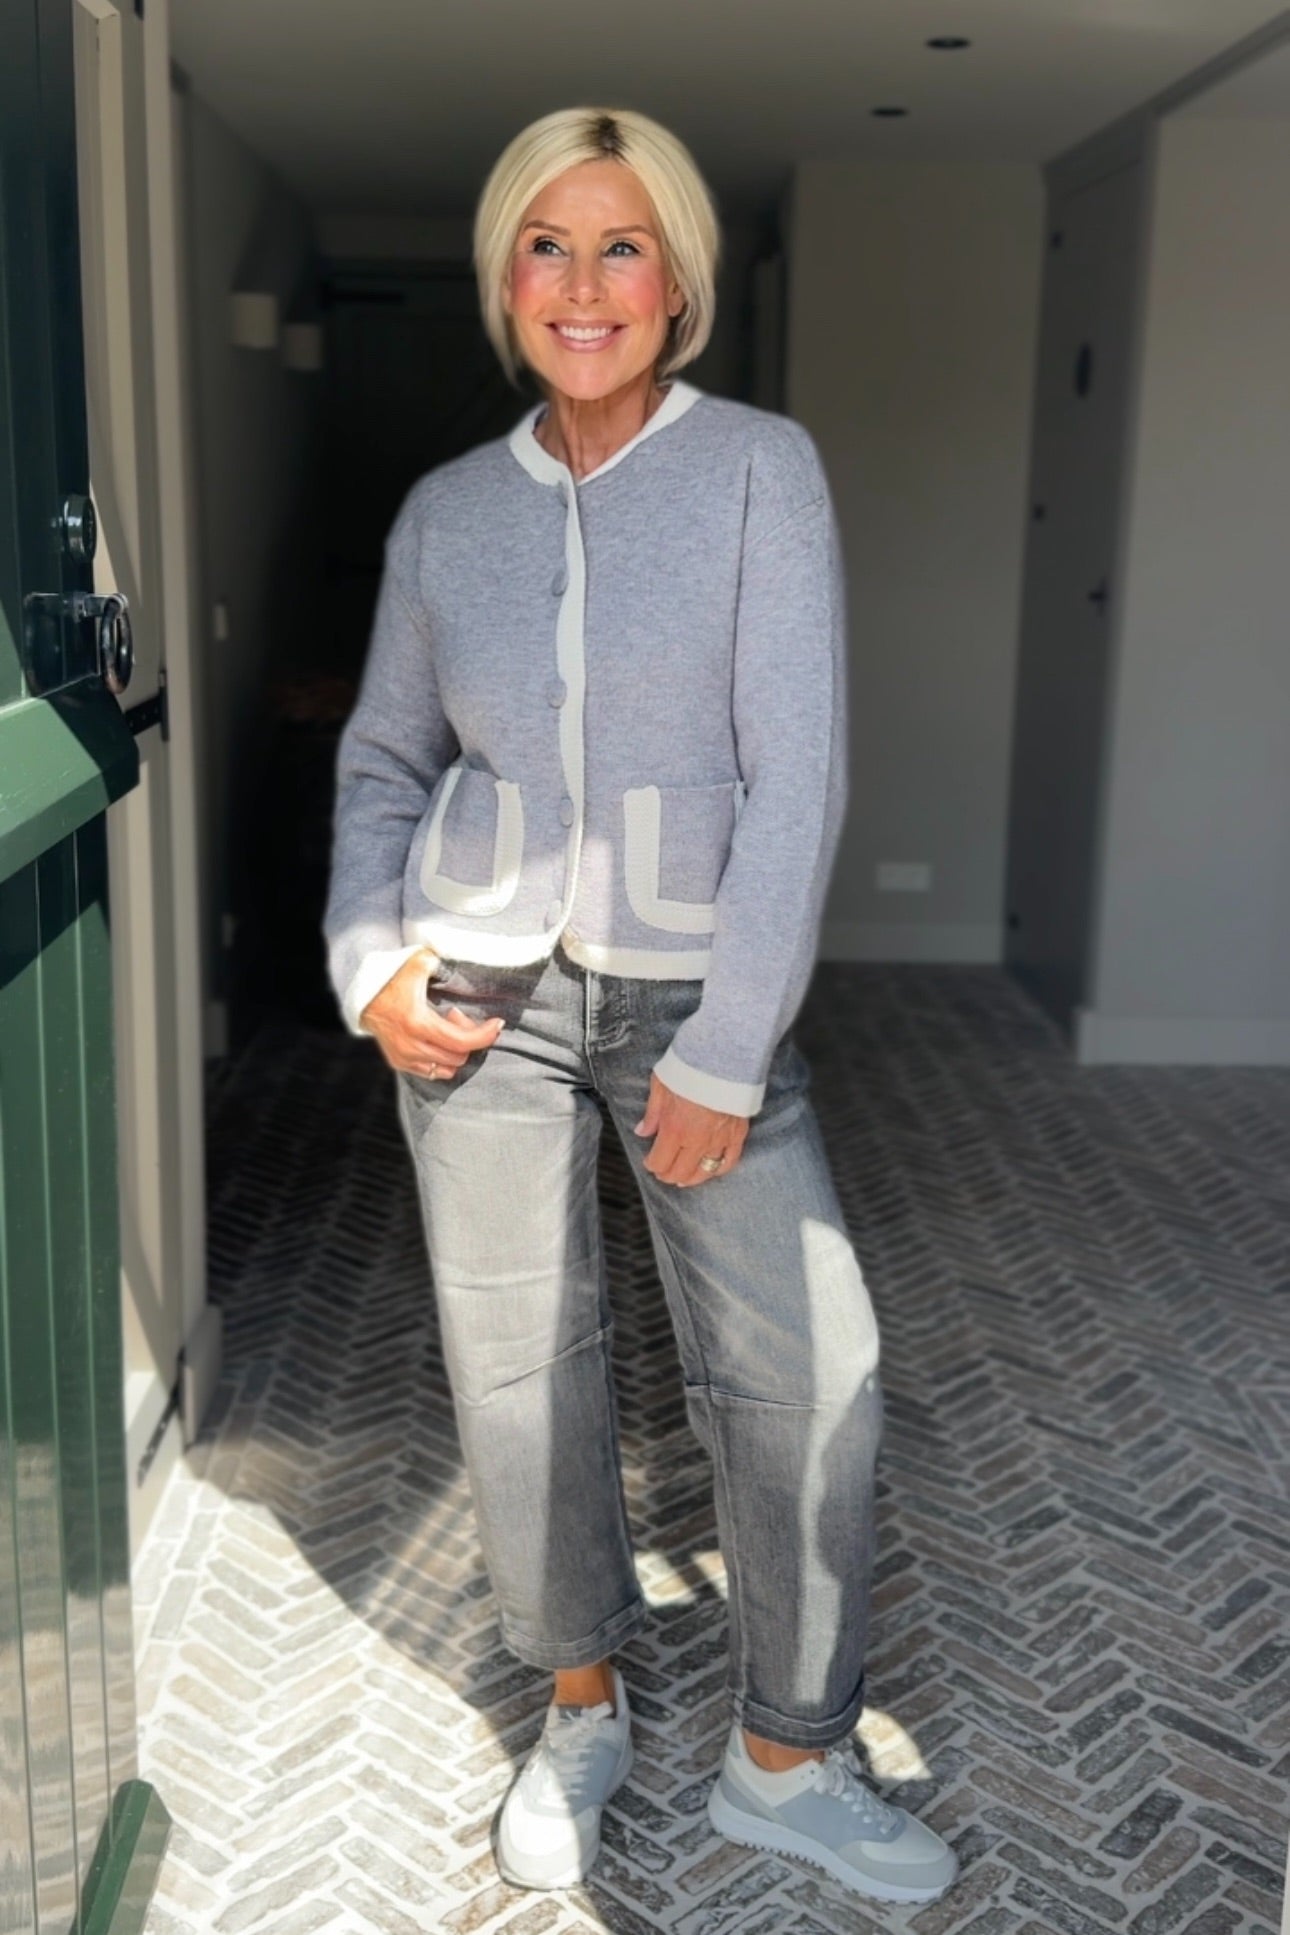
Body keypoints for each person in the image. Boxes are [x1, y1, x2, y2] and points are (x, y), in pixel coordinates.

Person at [323, 104, 957, 1907]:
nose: (583, 283)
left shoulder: (757, 469)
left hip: (692, 991)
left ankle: (787, 1758)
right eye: (547, 245)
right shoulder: (448, 514)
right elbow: (383, 759)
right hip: (479, 989)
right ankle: (579, 1707)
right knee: (519, 1371)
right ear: (503, 278)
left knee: (811, 1372)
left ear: (675, 281)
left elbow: (795, 770)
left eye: (621, 246)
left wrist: (727, 1047)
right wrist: (373, 964)